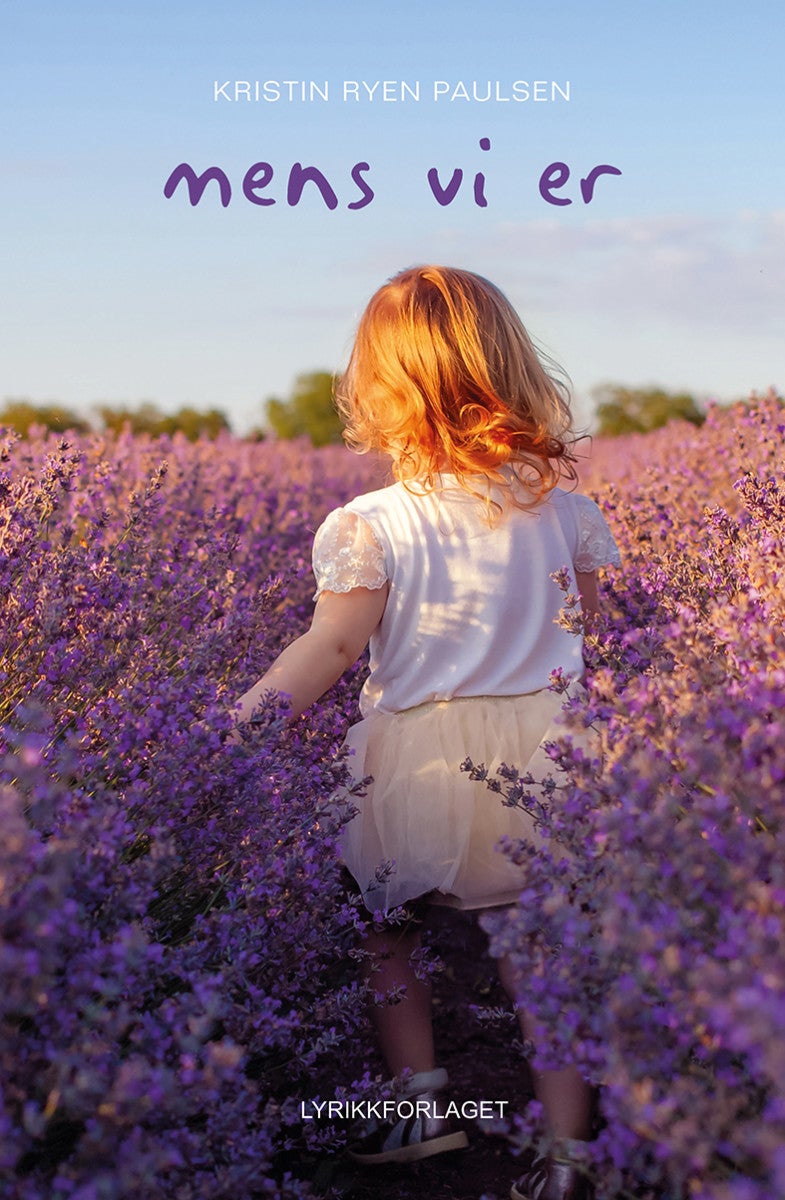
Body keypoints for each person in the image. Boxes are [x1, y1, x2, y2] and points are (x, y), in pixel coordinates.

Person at [233, 266, 620, 1200]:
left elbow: (331, 646)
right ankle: (567, 1157)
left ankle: (419, 1106)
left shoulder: (374, 524)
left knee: (384, 933)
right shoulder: (568, 514)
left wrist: (236, 728)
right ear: (513, 370)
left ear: (379, 390)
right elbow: (600, 641)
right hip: (550, 758)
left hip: (420, 762)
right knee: (545, 961)